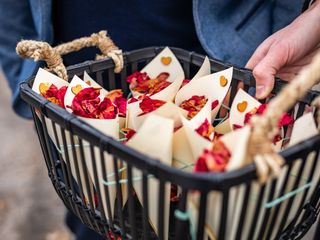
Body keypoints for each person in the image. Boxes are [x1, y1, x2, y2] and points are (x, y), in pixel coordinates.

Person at [0, 0, 319, 239]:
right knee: (100, 218)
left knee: (216, 222)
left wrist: (292, 23)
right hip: (83, 69)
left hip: (222, 56)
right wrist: (25, 77)